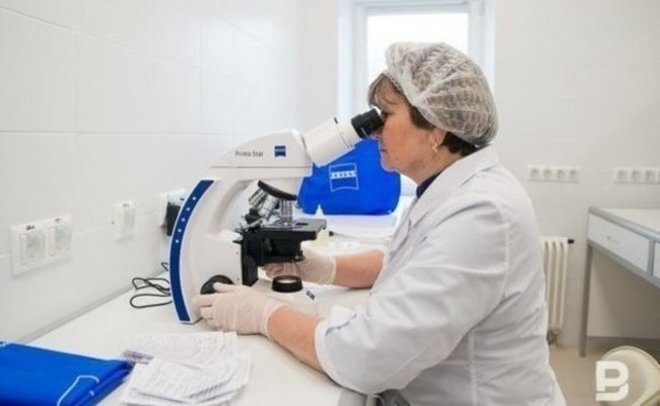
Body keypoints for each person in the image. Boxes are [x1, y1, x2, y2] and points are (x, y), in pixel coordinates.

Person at [192, 42, 566, 405]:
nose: (373, 131)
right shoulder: (452, 188)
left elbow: (365, 358)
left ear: (436, 128)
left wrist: (264, 315)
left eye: (385, 115)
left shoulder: (482, 213)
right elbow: (404, 261)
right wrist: (323, 268)